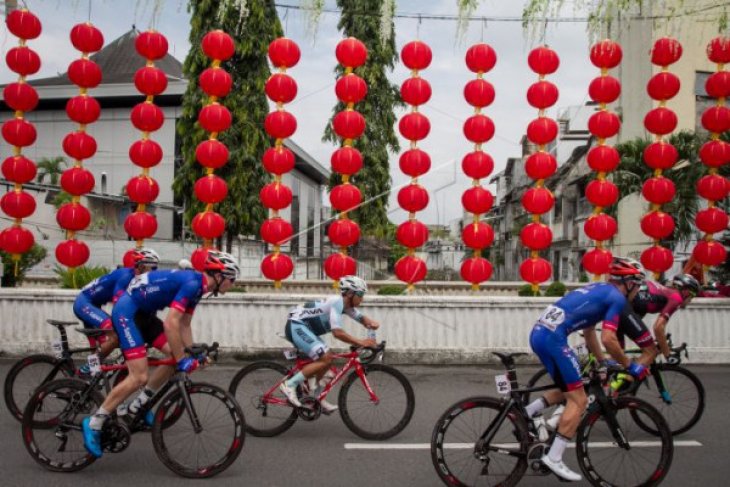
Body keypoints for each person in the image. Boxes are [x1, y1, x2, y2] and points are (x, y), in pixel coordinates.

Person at [82, 250, 240, 458]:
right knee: (139, 376)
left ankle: (138, 404)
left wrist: (190, 354)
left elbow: (184, 324)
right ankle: (94, 422)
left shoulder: (199, 288)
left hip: (144, 315)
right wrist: (184, 358)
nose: (234, 283)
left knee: (176, 357)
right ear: (219, 276)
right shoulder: (193, 284)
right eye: (232, 278)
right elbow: (171, 323)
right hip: (127, 314)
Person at [525, 258, 647, 482]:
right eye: (638, 285)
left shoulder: (599, 288)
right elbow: (609, 338)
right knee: (579, 400)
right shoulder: (617, 298)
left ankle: (528, 412)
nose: (638, 290)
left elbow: (589, 332)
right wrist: (630, 366)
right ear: (629, 283)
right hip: (553, 340)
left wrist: (601, 362)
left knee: (571, 387)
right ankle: (554, 457)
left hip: (540, 333)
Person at [279, 275, 379, 414]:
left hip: (306, 328)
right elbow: (337, 333)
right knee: (326, 357)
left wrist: (372, 324)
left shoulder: (347, 306)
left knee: (328, 359)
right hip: (297, 325)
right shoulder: (337, 303)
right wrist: (361, 342)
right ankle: (290, 385)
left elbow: (361, 318)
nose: (362, 298)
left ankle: (316, 398)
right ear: (350, 294)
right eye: (360, 294)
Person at [72, 248, 160, 360]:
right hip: (84, 303)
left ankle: (90, 372)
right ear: (142, 266)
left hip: (95, 305)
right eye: (154, 268)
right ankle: (87, 370)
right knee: (115, 334)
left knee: (103, 346)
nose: (156, 271)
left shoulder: (140, 280)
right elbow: (119, 307)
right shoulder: (125, 277)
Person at [632, 273, 699, 364]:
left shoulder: (666, 291)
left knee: (619, 350)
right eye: (693, 294)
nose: (691, 299)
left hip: (631, 303)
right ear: (686, 292)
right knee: (651, 352)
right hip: (633, 304)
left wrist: (662, 342)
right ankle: (628, 376)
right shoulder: (676, 297)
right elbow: (658, 327)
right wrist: (667, 354)